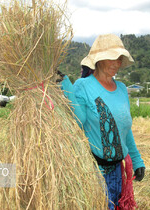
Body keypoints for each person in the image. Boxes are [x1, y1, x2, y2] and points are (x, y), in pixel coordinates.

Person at [60, 34, 145, 210]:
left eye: (119, 59)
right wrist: (66, 86)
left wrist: (137, 161)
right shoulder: (83, 86)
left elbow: (125, 129)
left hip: (117, 171)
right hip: (93, 171)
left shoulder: (121, 88)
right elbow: (78, 121)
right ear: (98, 60)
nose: (117, 63)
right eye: (112, 58)